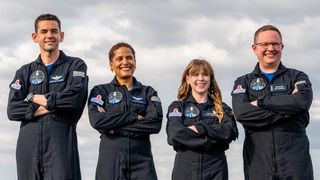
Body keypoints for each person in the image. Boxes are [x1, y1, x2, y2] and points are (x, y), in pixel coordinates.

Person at [7, 13, 88, 180]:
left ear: (61, 35)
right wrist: (53, 105)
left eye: (54, 31)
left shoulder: (75, 65)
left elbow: (73, 100)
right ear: (35, 37)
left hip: (60, 144)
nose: (49, 35)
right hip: (28, 145)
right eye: (44, 31)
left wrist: (32, 97)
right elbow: (13, 110)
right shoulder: (24, 71)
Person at [232, 25, 313, 180]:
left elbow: (301, 103)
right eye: (264, 44)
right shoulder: (243, 82)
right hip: (258, 163)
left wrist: (262, 102)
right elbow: (242, 113)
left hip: (295, 165)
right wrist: (287, 112)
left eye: (275, 44)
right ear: (254, 48)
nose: (271, 48)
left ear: (282, 47)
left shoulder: (297, 77)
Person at [88, 42, 163, 180]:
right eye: (119, 59)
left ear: (135, 62)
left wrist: (115, 128)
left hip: (142, 161)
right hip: (111, 161)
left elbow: (154, 123)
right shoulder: (100, 91)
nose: (125, 62)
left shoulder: (148, 92)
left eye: (129, 58)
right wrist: (134, 116)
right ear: (111, 65)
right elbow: (97, 120)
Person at [166, 59, 238, 180]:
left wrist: (200, 128)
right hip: (185, 169)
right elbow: (175, 135)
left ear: (210, 79)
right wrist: (211, 141)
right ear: (188, 79)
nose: (201, 78)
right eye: (195, 74)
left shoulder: (223, 108)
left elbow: (229, 132)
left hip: (216, 169)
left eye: (205, 74)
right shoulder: (177, 107)